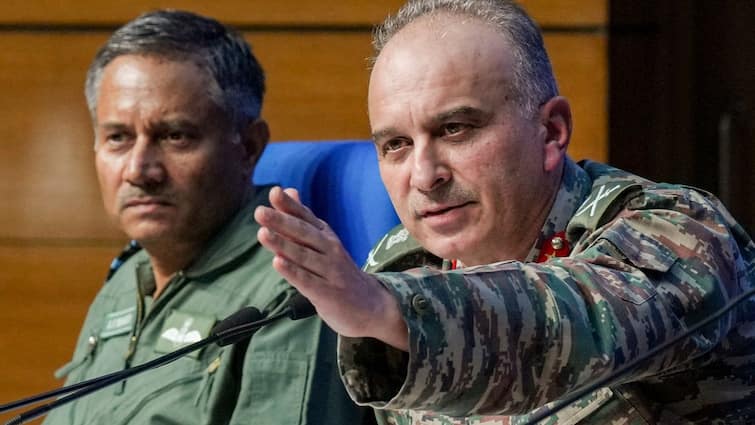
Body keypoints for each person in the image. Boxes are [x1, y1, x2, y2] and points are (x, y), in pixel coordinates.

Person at [254, 0, 755, 423]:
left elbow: (581, 321)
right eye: (396, 145)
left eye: (455, 129)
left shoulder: (681, 230)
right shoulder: (400, 266)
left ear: (551, 132)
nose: (425, 176)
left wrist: (392, 311)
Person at [43, 10, 368, 425]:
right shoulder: (127, 278)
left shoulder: (292, 294)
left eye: (174, 136)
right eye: (118, 138)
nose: (139, 170)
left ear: (248, 147)